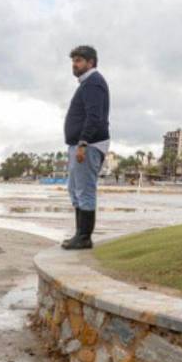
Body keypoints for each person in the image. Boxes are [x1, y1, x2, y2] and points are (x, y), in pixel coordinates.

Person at [62, 45, 110, 250]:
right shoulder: (87, 83)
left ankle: (84, 237)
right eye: (73, 60)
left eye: (79, 60)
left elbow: (94, 116)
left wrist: (82, 142)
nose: (75, 64)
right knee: (75, 190)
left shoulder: (93, 83)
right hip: (81, 145)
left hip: (88, 145)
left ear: (90, 62)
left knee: (85, 191)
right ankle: (79, 235)